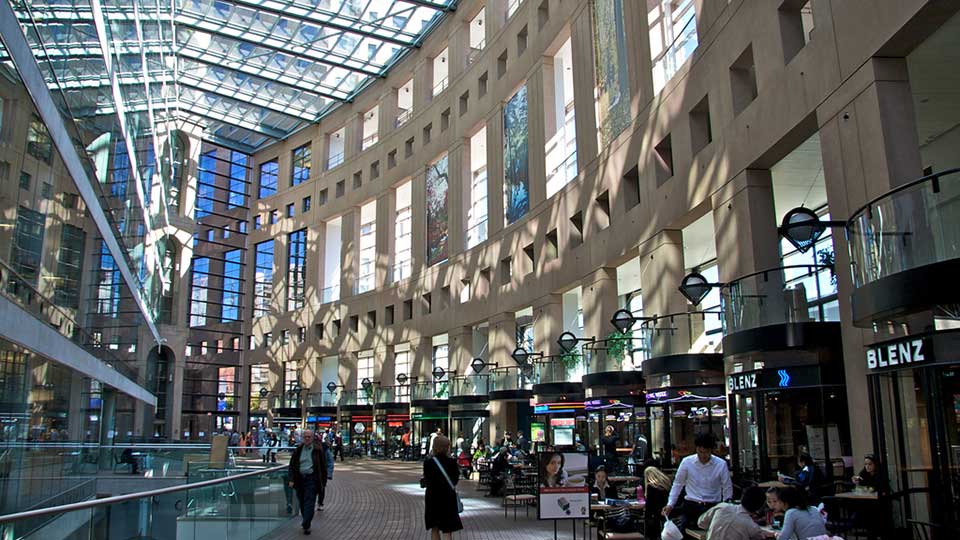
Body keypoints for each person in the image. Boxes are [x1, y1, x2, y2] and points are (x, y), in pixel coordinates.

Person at [662, 433, 733, 532]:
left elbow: (727, 487)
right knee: (685, 532)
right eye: (700, 451)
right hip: (691, 506)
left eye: (706, 452)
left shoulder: (720, 464)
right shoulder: (687, 462)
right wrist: (670, 504)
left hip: (712, 507)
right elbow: (678, 484)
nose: (703, 455)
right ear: (696, 449)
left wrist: (726, 507)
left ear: (711, 450)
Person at [287, 429, 328, 535]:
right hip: (300, 479)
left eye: (309, 437)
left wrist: (323, 482)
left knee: (309, 501)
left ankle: (306, 523)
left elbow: (323, 466)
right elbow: (292, 465)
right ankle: (306, 520)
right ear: (302, 438)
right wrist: (291, 479)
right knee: (302, 501)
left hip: (312, 479)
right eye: (305, 437)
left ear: (312, 438)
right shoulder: (298, 450)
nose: (307, 439)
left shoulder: (318, 450)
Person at [423, 435, 463, 539]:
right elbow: (455, 480)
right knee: (447, 529)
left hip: (432, 498)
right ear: (447, 447)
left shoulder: (428, 463)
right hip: (447, 498)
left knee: (434, 528)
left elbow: (427, 480)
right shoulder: (452, 462)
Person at [697, 485, 772, 540]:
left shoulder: (722, 506)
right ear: (759, 508)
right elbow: (760, 536)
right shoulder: (751, 526)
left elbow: (701, 523)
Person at [643, 466, 671, 539]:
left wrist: (647, 517)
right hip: (666, 512)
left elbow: (649, 505)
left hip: (655, 515)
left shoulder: (651, 486)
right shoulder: (666, 484)